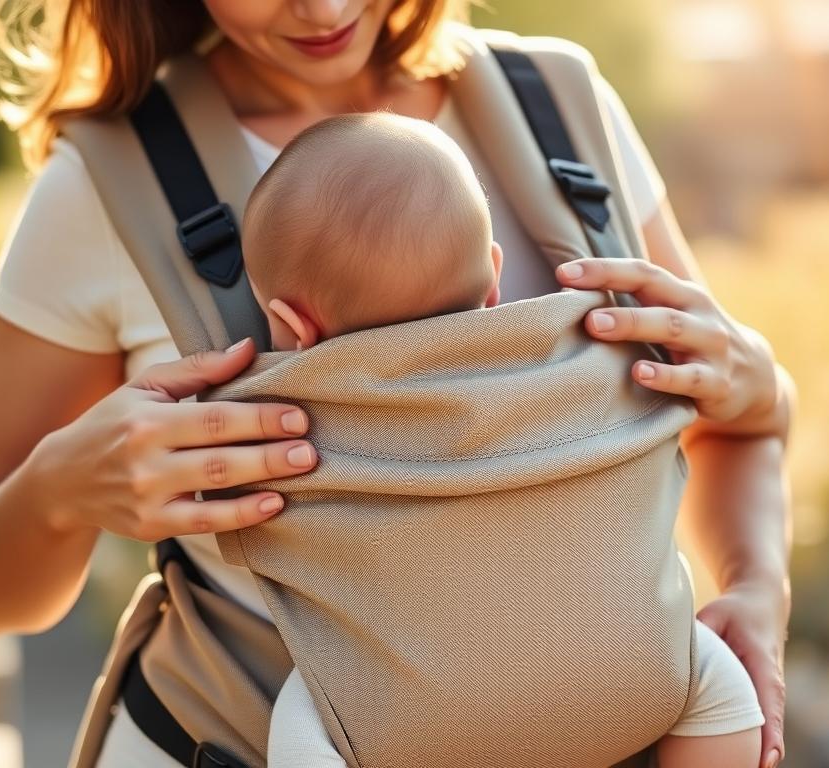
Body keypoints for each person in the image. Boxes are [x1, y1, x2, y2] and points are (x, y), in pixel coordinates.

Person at [0, 2, 793, 767]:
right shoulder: (105, 183)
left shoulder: (558, 110)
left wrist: (756, 584)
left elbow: (732, 416)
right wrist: (61, 493)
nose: (322, 6)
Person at [236, 110, 764, 768]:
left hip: (396, 718)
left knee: (302, 715)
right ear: (493, 277)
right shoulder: (599, 355)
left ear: (292, 323)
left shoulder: (280, 417)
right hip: (631, 668)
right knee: (718, 689)